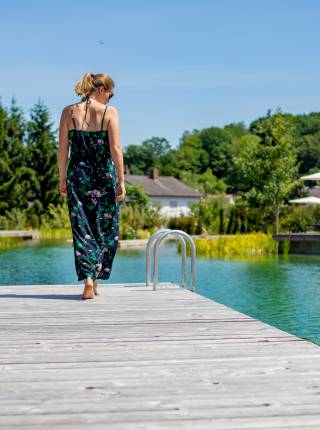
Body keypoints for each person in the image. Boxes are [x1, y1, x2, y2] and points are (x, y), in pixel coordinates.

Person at [58, 72, 126, 300]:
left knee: (82, 229)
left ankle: (89, 280)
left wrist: (62, 179)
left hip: (77, 176)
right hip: (104, 178)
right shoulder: (109, 112)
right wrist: (122, 181)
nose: (111, 99)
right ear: (100, 90)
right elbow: (116, 150)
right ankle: (93, 280)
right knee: (105, 229)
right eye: (110, 94)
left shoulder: (68, 112)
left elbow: (62, 151)